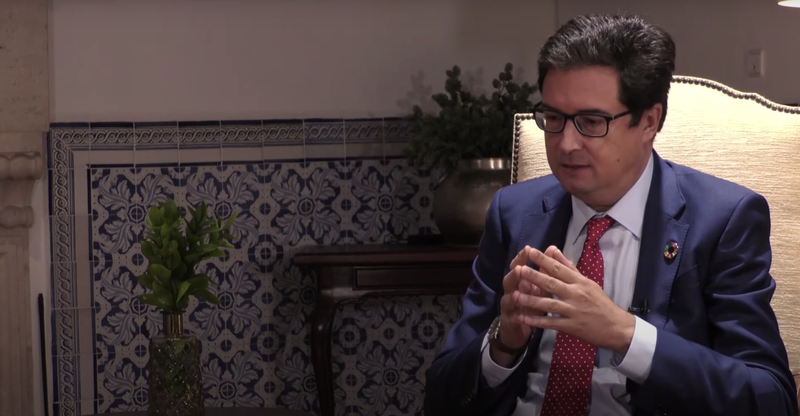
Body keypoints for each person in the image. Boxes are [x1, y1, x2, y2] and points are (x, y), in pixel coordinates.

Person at [423, 13, 798, 416]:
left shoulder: (723, 220)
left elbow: (771, 398)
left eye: (591, 122)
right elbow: (441, 397)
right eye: (553, 118)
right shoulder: (514, 212)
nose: (566, 143)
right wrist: (503, 343)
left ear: (649, 121)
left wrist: (626, 334)